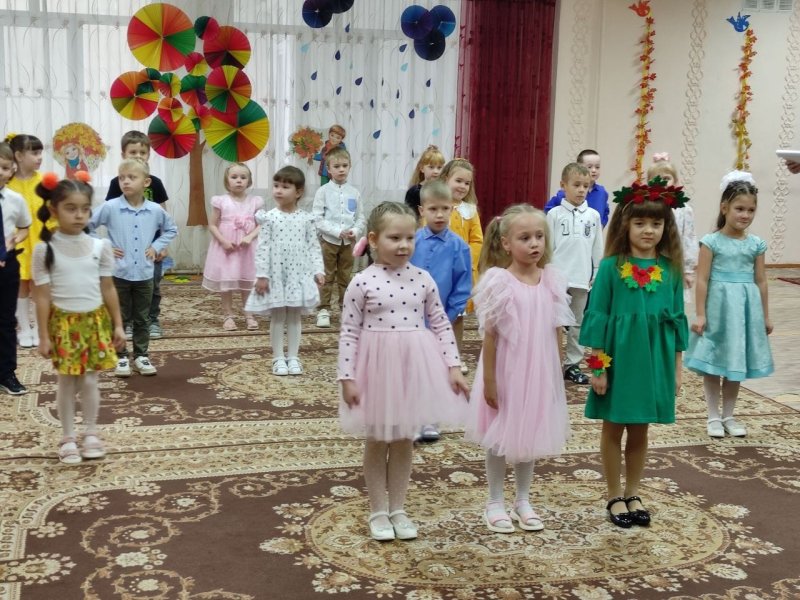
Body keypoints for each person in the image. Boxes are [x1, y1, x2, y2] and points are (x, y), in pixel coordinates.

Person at [338, 201, 469, 541]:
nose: (403, 245)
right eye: (394, 238)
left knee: (403, 440)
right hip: (376, 371)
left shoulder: (423, 279)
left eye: (410, 238)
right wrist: (347, 377)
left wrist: (453, 367)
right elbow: (349, 332)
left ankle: (398, 508)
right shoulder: (362, 282)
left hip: (412, 368)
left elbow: (441, 324)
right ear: (373, 239)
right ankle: (378, 511)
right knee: (377, 439)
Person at [580, 179, 688, 528]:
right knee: (614, 427)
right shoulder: (611, 267)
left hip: (654, 361)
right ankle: (614, 494)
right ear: (625, 225)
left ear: (666, 228)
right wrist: (598, 368)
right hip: (619, 360)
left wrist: (676, 369)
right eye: (640, 223)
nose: (648, 230)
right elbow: (597, 319)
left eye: (656, 223)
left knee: (640, 429)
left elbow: (676, 321)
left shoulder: (671, 269)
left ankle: (633, 492)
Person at [466, 205, 573, 533]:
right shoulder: (499, 282)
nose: (534, 243)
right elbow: (490, 336)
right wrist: (489, 381)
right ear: (506, 243)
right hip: (506, 371)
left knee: (531, 433)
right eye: (524, 238)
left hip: (538, 371)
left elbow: (557, 330)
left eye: (539, 236)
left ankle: (523, 500)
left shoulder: (551, 280)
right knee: (499, 435)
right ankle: (494, 501)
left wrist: (555, 374)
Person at [31, 173, 125, 464]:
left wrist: (118, 324)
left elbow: (108, 288)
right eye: (71, 208)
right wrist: (43, 336)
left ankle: (91, 432)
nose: (79, 215)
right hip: (64, 324)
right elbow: (42, 296)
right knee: (67, 381)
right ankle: (68, 436)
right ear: (54, 210)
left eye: (85, 208)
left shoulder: (100, 246)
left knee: (90, 381)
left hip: (94, 322)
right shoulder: (44, 249)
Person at [685, 172, 773, 438]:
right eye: (739, 209)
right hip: (719, 310)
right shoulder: (711, 242)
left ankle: (729, 415)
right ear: (725, 208)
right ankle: (713, 416)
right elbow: (702, 280)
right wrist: (700, 314)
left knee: (736, 363)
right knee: (713, 362)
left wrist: (765, 316)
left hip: (745, 312)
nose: (745, 215)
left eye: (750, 210)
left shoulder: (756, 244)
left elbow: (761, 281)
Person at [90, 159, 178, 378]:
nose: (126, 182)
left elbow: (171, 229)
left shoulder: (155, 210)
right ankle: (120, 356)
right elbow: (87, 226)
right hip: (118, 273)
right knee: (119, 316)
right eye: (122, 178)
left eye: (131, 177)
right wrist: (103, 246)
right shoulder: (111, 207)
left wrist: (156, 246)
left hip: (145, 274)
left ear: (146, 182)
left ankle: (141, 355)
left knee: (142, 317)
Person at [245, 166, 324, 376]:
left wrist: (318, 270)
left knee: (295, 317)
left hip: (298, 275)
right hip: (276, 276)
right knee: (278, 317)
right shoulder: (269, 218)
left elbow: (313, 246)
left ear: (298, 192)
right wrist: (262, 275)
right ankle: (278, 357)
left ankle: (294, 357)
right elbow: (262, 248)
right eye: (276, 185)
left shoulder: (307, 219)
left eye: (285, 187)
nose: (278, 190)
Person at [410, 180, 472, 442]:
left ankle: (431, 419)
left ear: (452, 209)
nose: (439, 215)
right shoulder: (412, 241)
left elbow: (462, 284)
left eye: (445, 209)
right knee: (412, 370)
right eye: (433, 209)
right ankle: (411, 418)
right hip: (409, 319)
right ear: (421, 210)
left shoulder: (459, 246)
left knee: (435, 371)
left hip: (440, 320)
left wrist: (449, 315)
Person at [105, 131, 169, 339]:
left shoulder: (155, 183)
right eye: (133, 152)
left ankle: (151, 319)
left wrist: (162, 244)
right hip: (125, 247)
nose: (139, 156)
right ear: (123, 154)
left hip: (150, 247)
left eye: (143, 152)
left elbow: (163, 216)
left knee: (152, 286)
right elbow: (109, 216)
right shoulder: (117, 183)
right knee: (124, 287)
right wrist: (109, 246)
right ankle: (128, 322)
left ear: (149, 154)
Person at [546, 162, 603, 385]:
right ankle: (550, 361)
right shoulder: (554, 215)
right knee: (554, 322)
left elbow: (597, 247)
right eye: (576, 185)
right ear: (563, 185)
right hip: (557, 278)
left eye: (585, 186)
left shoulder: (593, 216)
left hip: (581, 278)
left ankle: (572, 364)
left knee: (578, 323)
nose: (581, 190)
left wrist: (596, 273)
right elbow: (547, 247)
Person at [202, 163, 264, 331]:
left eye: (243, 177)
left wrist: (250, 237)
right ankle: (228, 315)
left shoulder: (255, 202)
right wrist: (223, 241)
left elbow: (262, 224)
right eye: (234, 177)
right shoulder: (221, 201)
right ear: (227, 180)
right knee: (226, 282)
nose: (239, 180)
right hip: (226, 248)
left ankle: (249, 314)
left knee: (247, 281)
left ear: (249, 181)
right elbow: (212, 225)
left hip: (247, 249)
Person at [5, 133, 52, 348]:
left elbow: (54, 212)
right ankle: (24, 328)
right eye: (34, 153)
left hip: (41, 242)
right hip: (17, 243)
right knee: (21, 286)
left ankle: (39, 328)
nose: (39, 157)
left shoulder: (45, 182)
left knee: (39, 285)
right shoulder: (8, 184)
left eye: (40, 152)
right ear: (19, 155)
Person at [311, 146, 365, 328]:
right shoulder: (323, 191)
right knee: (326, 276)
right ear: (329, 169)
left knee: (345, 276)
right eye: (337, 166)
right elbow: (317, 218)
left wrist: (355, 231)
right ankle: (323, 309)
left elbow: (360, 218)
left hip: (348, 243)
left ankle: (345, 308)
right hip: (328, 242)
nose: (341, 169)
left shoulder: (354, 193)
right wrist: (335, 231)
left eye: (345, 165)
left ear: (349, 167)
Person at [439, 158, 483, 373]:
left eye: (467, 183)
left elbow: (477, 240)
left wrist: (466, 260)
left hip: (462, 273)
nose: (463, 186)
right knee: (437, 316)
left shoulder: (470, 211)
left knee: (457, 317)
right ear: (446, 179)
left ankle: (455, 357)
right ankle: (435, 356)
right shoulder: (437, 208)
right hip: (439, 272)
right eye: (458, 181)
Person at [0, 142, 31, 395]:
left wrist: (13, 241)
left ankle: (6, 373)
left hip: (7, 264)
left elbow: (24, 228)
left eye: (4, 167)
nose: (0, 172)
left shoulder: (15, 200)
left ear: (12, 170)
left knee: (6, 320)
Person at [647, 153, 698, 304]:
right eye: (656, 179)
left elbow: (689, 239)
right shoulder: (645, 207)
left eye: (666, 179)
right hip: (650, 260)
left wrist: (688, 270)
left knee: (672, 300)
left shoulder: (684, 209)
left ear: (675, 182)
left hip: (674, 261)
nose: (662, 183)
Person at [544, 149, 610, 226]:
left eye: (597, 167)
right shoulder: (565, 193)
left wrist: (601, 224)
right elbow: (548, 210)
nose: (594, 170)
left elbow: (605, 211)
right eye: (589, 167)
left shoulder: (602, 192)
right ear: (579, 167)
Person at [404, 145, 446, 217]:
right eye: (431, 167)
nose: (436, 171)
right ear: (422, 168)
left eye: (439, 168)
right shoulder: (414, 192)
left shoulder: (445, 190)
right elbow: (409, 216)